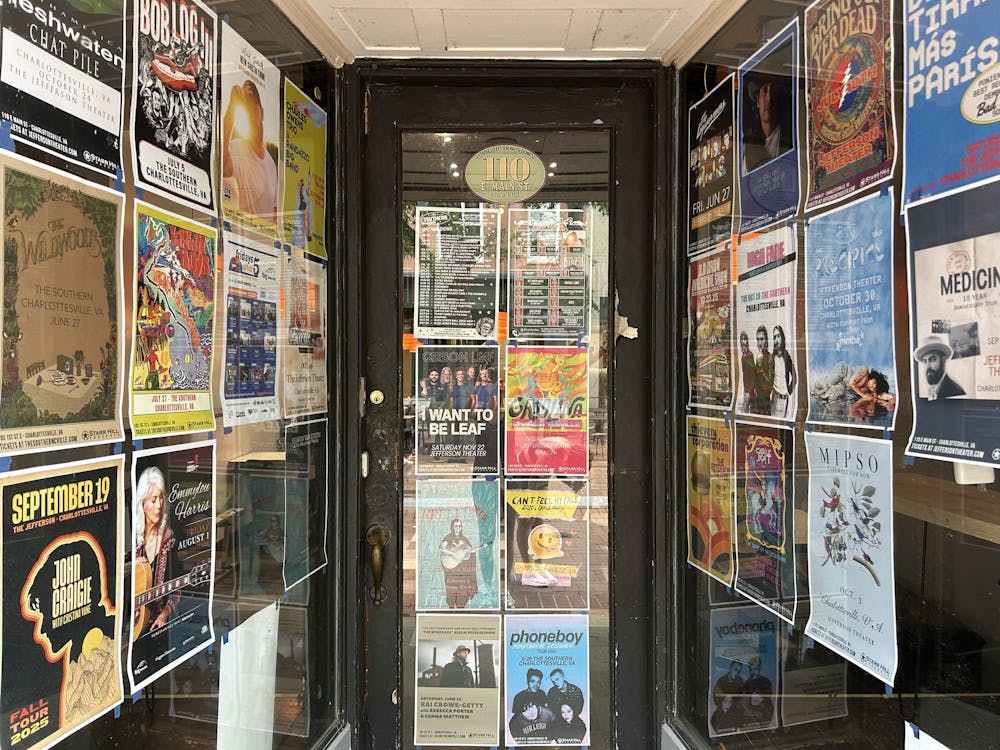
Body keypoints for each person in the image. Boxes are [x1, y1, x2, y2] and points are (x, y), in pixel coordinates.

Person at [222, 79, 278, 221]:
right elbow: (222, 161)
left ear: (262, 113)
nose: (251, 116)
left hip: (265, 240)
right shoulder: (236, 149)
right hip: (241, 239)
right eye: (246, 110)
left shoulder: (271, 164)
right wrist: (231, 108)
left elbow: (275, 214)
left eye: (254, 109)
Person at [134, 466, 180, 635]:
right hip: (135, 628)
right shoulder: (133, 543)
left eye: (161, 498)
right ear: (142, 503)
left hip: (160, 628)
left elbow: (178, 589)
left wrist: (165, 614)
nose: (159, 505)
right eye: (153, 500)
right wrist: (130, 565)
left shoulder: (169, 540)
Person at [742, 72, 792, 172]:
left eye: (773, 92)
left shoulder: (792, 135)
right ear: (757, 101)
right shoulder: (749, 149)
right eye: (764, 91)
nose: (769, 98)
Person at [439, 518, 479, 608]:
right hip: (451, 567)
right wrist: (453, 554)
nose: (458, 528)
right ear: (452, 527)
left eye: (459, 526)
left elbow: (469, 550)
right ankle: (451, 605)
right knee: (451, 585)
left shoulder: (464, 539)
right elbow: (442, 548)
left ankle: (461, 604)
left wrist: (472, 550)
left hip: (461, 568)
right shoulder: (448, 537)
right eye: (456, 526)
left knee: (462, 585)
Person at [770, 324, 796, 417]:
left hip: (783, 400)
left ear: (782, 337)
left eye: (778, 336)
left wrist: (789, 390)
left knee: (781, 427)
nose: (776, 340)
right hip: (774, 397)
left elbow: (794, 376)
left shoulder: (787, 356)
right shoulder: (772, 357)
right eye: (774, 337)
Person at [740, 656, 774, 725]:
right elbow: (743, 700)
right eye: (751, 670)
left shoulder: (766, 682)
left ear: (759, 669)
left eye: (755, 669)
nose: (753, 672)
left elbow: (768, 697)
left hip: (762, 714)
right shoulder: (747, 683)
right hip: (750, 715)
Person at [753, 325, 774, 414]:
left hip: (765, 402)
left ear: (766, 341)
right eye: (758, 339)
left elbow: (769, 383)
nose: (759, 342)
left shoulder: (769, 358)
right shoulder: (758, 356)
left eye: (762, 339)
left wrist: (761, 369)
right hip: (756, 400)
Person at [739, 331, 756, 411]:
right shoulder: (743, 356)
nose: (743, 341)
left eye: (744, 339)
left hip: (749, 390)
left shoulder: (749, 355)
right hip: (746, 389)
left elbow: (753, 375)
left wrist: (750, 390)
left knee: (745, 410)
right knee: (746, 409)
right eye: (742, 339)